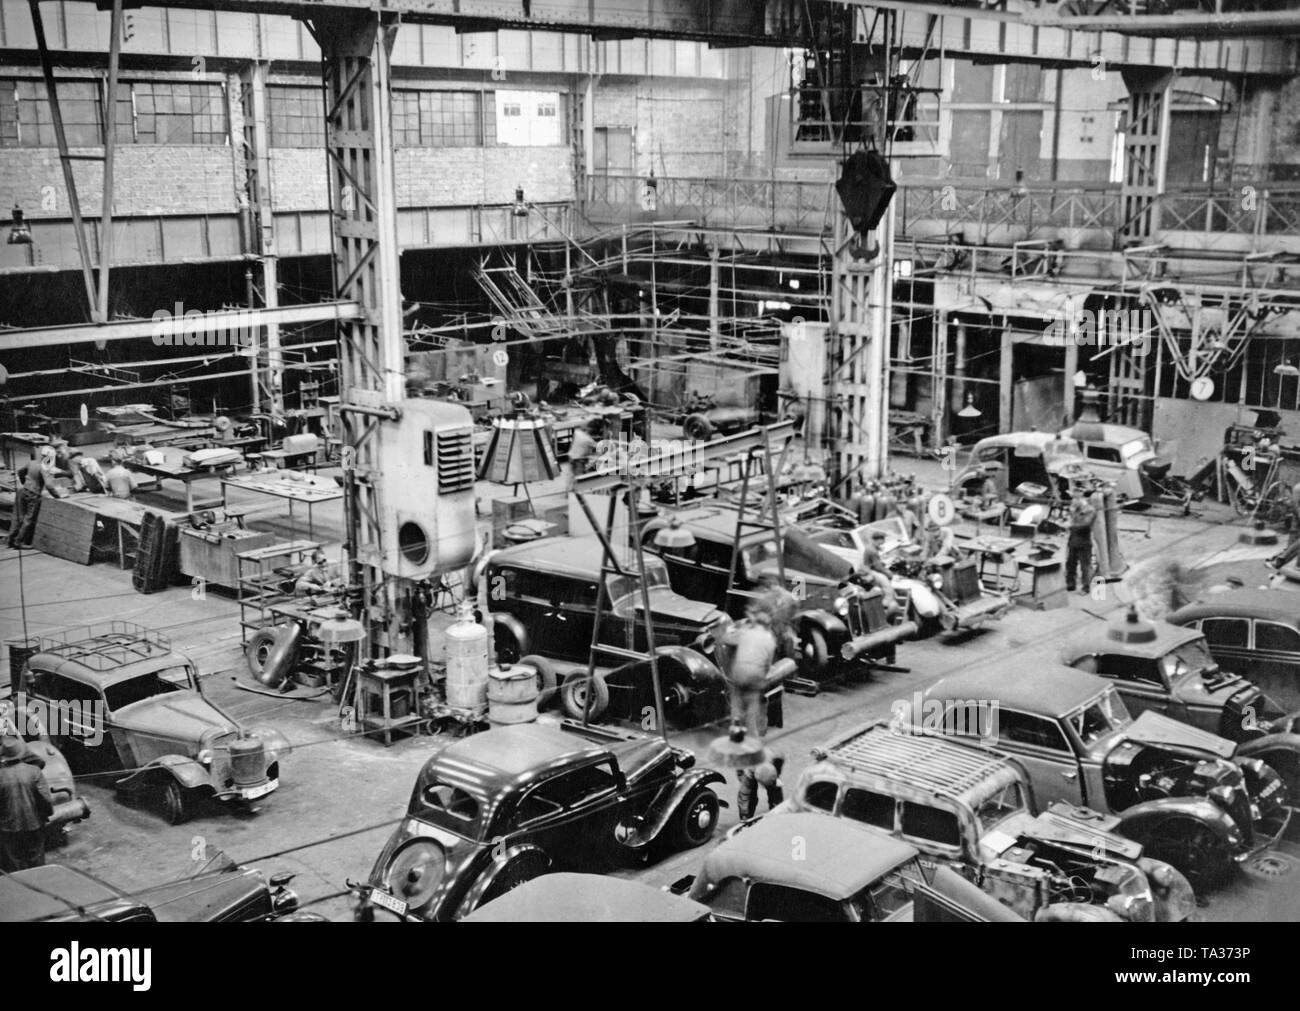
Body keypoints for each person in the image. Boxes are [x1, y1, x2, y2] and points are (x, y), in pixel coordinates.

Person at [0, 735, 53, 872]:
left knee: (14, 863)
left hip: (8, 827)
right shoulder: (34, 771)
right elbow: (46, 799)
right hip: (34, 823)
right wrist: (46, 814)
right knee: (36, 859)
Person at [7, 446, 62, 549]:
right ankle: (19, 542)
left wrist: (25, 483)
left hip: (23, 491)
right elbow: (49, 485)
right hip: (34, 494)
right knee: (29, 518)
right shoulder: (44, 467)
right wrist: (58, 496)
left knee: (19, 517)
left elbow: (20, 472)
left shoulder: (32, 462)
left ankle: (11, 540)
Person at [1066, 492, 1099, 594]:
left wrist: (1070, 525)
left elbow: (1085, 524)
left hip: (1084, 542)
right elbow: (1070, 519)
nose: (1074, 502)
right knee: (1070, 563)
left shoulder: (1091, 511)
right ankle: (1071, 583)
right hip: (1073, 540)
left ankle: (1086, 587)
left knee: (1085, 566)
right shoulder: (1075, 509)